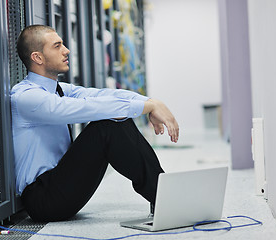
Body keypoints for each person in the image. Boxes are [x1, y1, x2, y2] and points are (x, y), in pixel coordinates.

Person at [10, 25, 179, 222]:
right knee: (107, 126)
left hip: (60, 185)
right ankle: (167, 199)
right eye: (57, 46)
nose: (66, 50)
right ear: (37, 57)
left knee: (114, 118)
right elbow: (89, 108)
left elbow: (103, 95)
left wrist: (151, 102)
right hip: (43, 199)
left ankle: (165, 197)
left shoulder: (59, 89)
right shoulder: (26, 97)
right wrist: (147, 107)